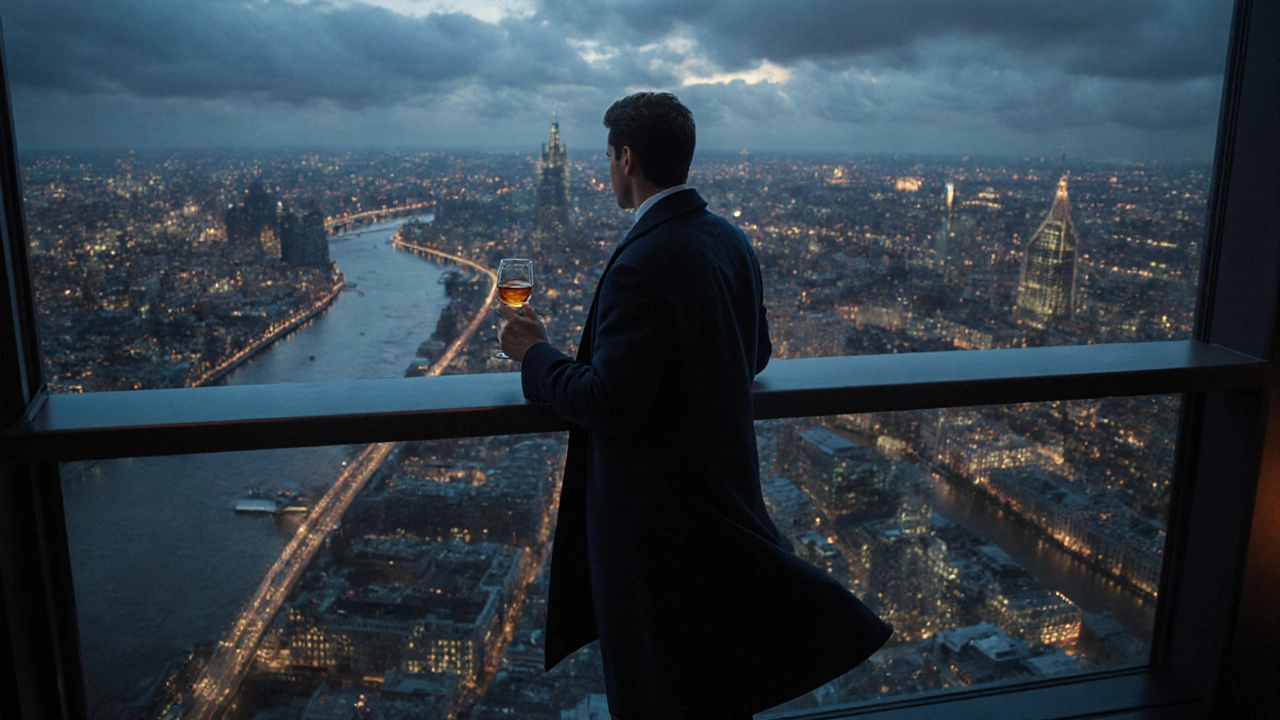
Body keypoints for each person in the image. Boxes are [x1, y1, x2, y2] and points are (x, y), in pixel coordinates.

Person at [496, 92, 891, 720]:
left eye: (606, 157)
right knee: (717, 686)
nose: (604, 171)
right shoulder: (727, 237)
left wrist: (534, 353)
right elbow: (753, 353)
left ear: (627, 158)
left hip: (657, 535)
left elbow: (609, 402)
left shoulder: (642, 262)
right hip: (723, 505)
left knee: (657, 691)